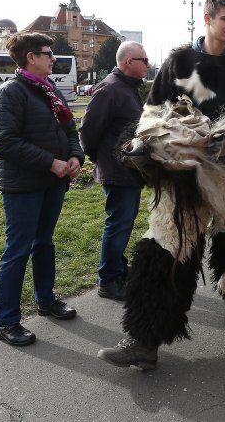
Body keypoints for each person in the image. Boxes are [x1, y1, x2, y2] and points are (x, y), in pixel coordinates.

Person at [97, 0, 225, 370]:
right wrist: (153, 142)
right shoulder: (179, 63)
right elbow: (152, 112)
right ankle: (144, 339)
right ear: (208, 18)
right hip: (180, 174)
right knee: (165, 247)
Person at [0, 32, 84, 346]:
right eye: (48, 53)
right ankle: (6, 322)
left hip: (51, 183)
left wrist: (74, 156)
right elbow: (4, 142)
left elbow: (69, 128)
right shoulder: (11, 93)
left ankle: (46, 300)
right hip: (23, 186)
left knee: (44, 243)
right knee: (17, 251)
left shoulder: (49, 89)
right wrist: (50, 162)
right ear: (31, 57)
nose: (53, 58)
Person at [79, 41, 148, 301]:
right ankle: (108, 280)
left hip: (129, 170)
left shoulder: (126, 87)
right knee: (118, 224)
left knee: (124, 222)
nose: (148, 64)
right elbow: (88, 130)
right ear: (128, 62)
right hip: (117, 170)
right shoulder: (109, 89)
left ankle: (118, 269)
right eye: (143, 59)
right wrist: (101, 158)